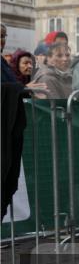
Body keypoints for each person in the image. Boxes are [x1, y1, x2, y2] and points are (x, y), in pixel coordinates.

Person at [1, 24, 27, 220]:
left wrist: (20, 89)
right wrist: (19, 88)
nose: (2, 41)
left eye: (3, 36)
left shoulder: (2, 62)